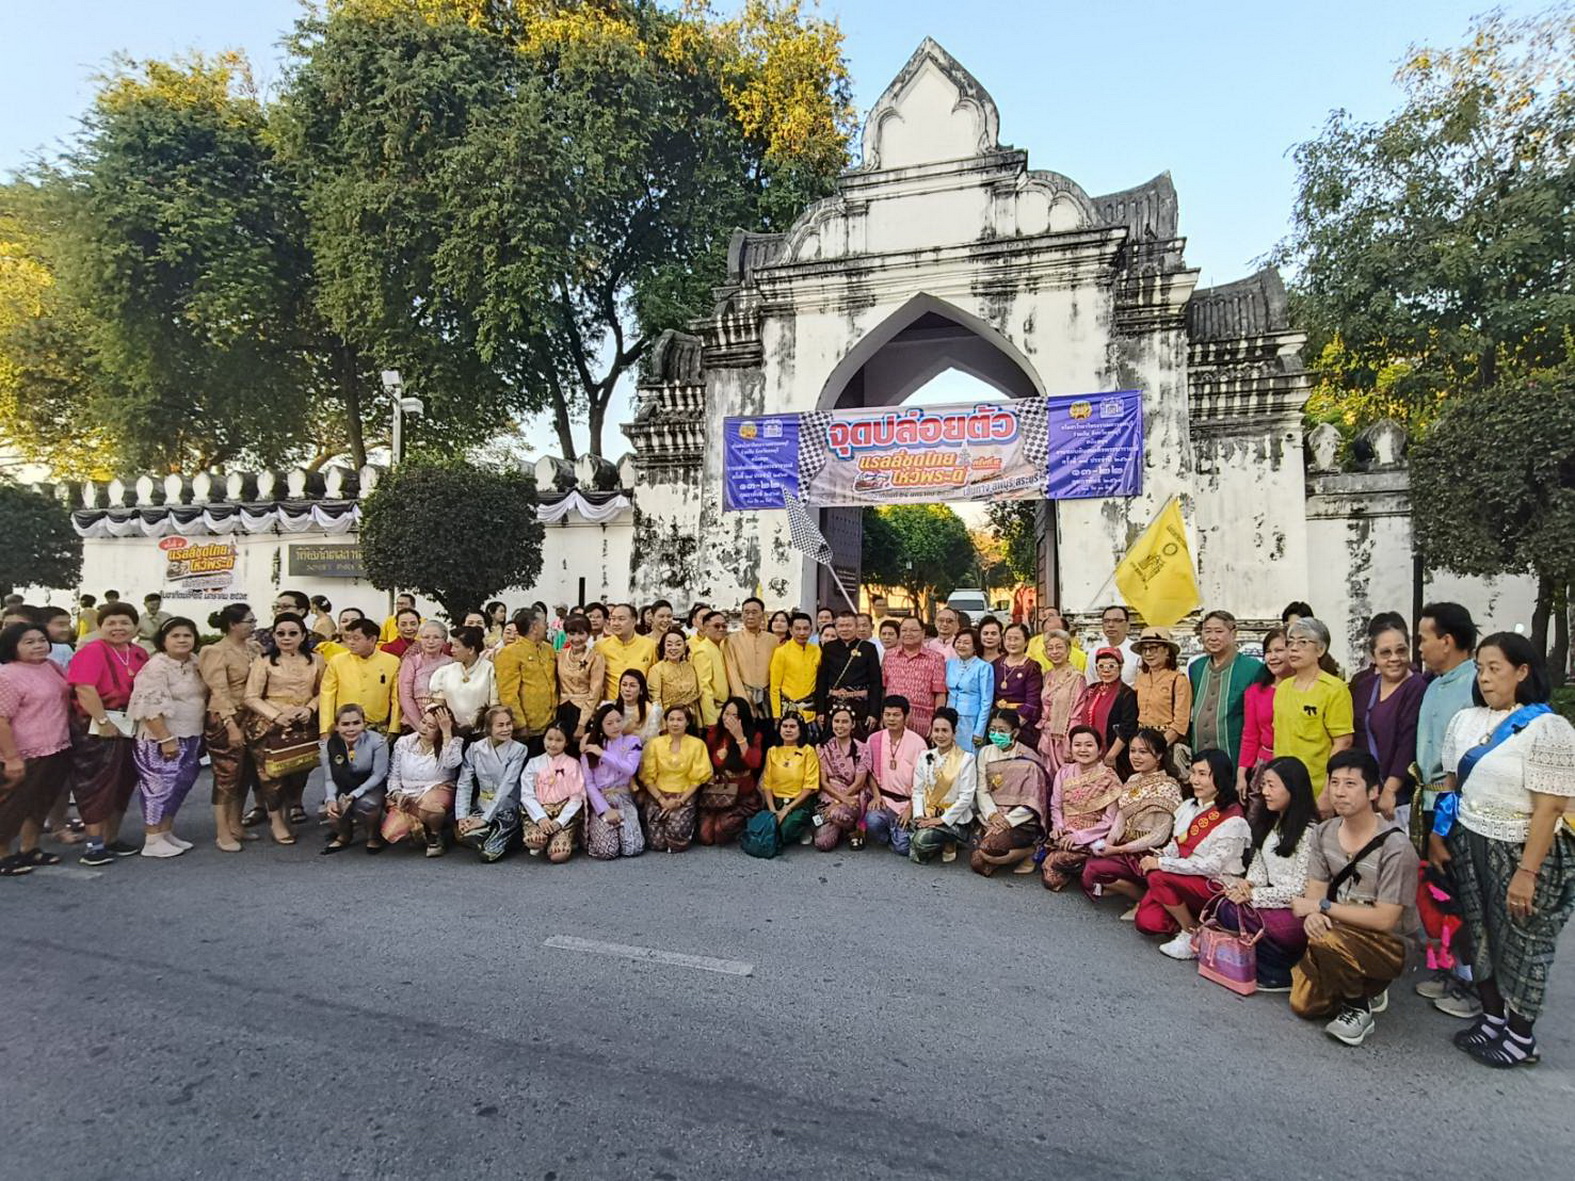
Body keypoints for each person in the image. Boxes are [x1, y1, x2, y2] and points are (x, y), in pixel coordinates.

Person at [1436, 632, 1575, 1068]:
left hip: (1524, 850)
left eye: (1495, 668)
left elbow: (1550, 807)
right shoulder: (1466, 720)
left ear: (1522, 671)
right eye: (1480, 668)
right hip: (1471, 839)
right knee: (1480, 933)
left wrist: (1527, 872)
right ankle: (1493, 1018)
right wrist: (1439, 835)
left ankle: (1520, 1037)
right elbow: (1451, 784)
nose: (1484, 677)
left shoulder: (1548, 728)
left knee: (1524, 941)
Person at [1289, 750, 1421, 1048]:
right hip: (1341, 928)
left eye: (1350, 784)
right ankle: (1365, 982)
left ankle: (1358, 1007)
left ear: (1373, 791)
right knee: (1304, 1005)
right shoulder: (1324, 832)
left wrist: (1321, 908)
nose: (1339, 792)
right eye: (1334, 782)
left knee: (1325, 939)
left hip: (1390, 942)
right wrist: (1315, 915)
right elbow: (1316, 889)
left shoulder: (1397, 847)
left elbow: (1385, 919)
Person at [1214, 756, 1319, 991]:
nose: (1265, 792)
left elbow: (1299, 889)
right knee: (1226, 905)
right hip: (1268, 898)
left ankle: (1282, 968)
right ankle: (1263, 964)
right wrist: (1247, 885)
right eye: (1263, 785)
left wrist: (1253, 895)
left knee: (1250, 915)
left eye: (1272, 785)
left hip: (1293, 909)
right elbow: (1259, 868)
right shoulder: (1271, 822)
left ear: (1293, 788)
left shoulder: (1309, 832)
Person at [1135, 748, 1252, 958]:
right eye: (1193, 773)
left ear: (1220, 777)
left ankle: (1190, 932)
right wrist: (1159, 856)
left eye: (1202, 774)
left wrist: (1162, 864)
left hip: (1214, 885)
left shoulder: (1233, 819)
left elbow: (1211, 866)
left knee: (1158, 876)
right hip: (1182, 878)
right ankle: (1202, 924)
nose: (1195, 780)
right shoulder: (1189, 806)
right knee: (1147, 922)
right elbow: (1177, 845)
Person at [66, 601, 150, 865]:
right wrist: (102, 720)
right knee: (96, 783)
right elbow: (84, 688)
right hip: (97, 725)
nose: (118, 628)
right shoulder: (92, 651)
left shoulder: (138, 653)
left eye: (124, 622)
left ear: (135, 626)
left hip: (129, 723)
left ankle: (112, 838)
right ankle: (94, 844)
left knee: (123, 781)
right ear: (100, 626)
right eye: (111, 623)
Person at [126, 618, 207, 858]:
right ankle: (152, 839)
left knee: (180, 785)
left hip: (191, 734)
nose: (182, 640)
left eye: (187, 635)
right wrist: (165, 739)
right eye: (175, 636)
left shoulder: (195, 662)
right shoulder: (156, 667)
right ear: (163, 640)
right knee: (159, 786)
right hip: (160, 738)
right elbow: (149, 706)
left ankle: (165, 832)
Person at [1080, 729, 1183, 914]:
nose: (1135, 757)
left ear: (1159, 755)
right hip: (1124, 846)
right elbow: (1121, 817)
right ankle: (1144, 897)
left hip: (1148, 853)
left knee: (1094, 871)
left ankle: (1145, 899)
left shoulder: (1168, 786)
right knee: (1089, 868)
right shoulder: (1133, 779)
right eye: (1132, 751)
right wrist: (1108, 843)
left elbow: (1159, 836)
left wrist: (1119, 850)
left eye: (1143, 752)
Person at [243, 612, 324, 842]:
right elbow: (251, 696)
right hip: (269, 724)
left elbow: (323, 691)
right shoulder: (264, 661)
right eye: (281, 633)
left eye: (292, 633)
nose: (286, 638)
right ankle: (276, 821)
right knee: (271, 776)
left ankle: (290, 813)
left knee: (298, 773)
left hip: (303, 723)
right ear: (274, 636)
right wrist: (276, 716)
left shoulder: (316, 660)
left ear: (303, 636)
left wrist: (309, 708)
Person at [0, 621, 72, 876]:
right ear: (12, 646)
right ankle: (3, 853)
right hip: (25, 751)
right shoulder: (7, 675)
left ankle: (29, 848)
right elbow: (1, 720)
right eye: (29, 642)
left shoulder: (51, 666)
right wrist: (11, 758)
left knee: (41, 801)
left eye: (42, 640)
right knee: (12, 804)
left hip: (57, 745)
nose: (38, 646)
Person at [1275, 617, 1355, 814]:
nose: (1294, 648)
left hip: (1316, 789)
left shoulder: (1334, 689)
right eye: (1290, 642)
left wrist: (1327, 792)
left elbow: (1343, 742)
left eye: (1302, 642)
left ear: (1320, 650)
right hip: (1283, 787)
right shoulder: (1283, 688)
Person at [1351, 619, 1426, 828]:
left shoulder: (1416, 686)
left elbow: (1408, 740)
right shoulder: (1365, 687)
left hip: (1399, 796)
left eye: (1401, 651)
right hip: (1369, 792)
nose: (1394, 658)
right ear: (1373, 656)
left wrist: (1391, 788)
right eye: (1385, 653)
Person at [199, 604, 261, 852]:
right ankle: (222, 831)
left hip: (251, 715)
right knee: (226, 774)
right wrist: (230, 725)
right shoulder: (215, 651)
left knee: (245, 773)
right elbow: (218, 691)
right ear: (233, 625)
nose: (253, 625)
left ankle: (236, 824)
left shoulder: (254, 648)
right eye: (249, 621)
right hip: (226, 717)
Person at [1040, 726, 1125, 891]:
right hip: (1065, 835)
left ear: (1099, 750)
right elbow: (1056, 806)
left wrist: (1079, 837)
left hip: (1092, 838)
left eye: (1089, 745)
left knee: (1052, 871)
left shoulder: (1109, 778)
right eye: (1077, 745)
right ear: (1071, 748)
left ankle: (1090, 869)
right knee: (1052, 877)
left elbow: (1110, 821)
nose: (1083, 750)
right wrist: (1058, 827)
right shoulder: (1064, 772)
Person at [970, 708, 1050, 876]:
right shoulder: (985, 752)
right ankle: (998, 855)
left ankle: (1030, 851)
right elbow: (982, 790)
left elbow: (1033, 801)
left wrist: (1007, 820)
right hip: (993, 816)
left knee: (988, 847)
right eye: (992, 730)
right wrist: (993, 816)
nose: (996, 734)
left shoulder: (1029, 758)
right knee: (978, 863)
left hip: (1021, 822)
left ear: (1015, 732)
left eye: (1002, 731)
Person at [383, 705, 463, 857]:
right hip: (408, 793)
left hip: (436, 791)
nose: (424, 728)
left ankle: (435, 835)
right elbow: (393, 775)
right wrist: (397, 794)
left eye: (431, 726)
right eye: (423, 722)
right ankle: (428, 827)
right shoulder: (404, 742)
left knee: (431, 808)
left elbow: (451, 763)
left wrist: (447, 732)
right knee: (391, 832)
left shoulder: (453, 742)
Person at [1188, 610, 1264, 766]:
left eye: (1219, 631)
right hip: (1200, 757)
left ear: (1233, 634)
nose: (1212, 637)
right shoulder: (1196, 668)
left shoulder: (1252, 668)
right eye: (1207, 631)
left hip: (1235, 756)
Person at [454, 706, 528, 863]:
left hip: (507, 807)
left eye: (508, 724)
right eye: (500, 725)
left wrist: (485, 819)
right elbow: (464, 783)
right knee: (463, 832)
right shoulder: (475, 748)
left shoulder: (519, 749)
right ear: (489, 728)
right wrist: (462, 816)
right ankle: (488, 833)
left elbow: (507, 786)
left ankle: (507, 835)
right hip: (482, 805)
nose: (506, 729)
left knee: (488, 854)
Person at [861, 695, 929, 856]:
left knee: (903, 849)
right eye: (887, 714)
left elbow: (925, 781)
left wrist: (910, 809)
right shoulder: (874, 740)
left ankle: (899, 834)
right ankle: (892, 834)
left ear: (906, 717)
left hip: (908, 803)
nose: (891, 719)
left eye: (896, 715)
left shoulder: (918, 743)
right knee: (872, 821)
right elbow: (868, 772)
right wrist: (876, 796)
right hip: (885, 801)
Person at [908, 707, 977, 865]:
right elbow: (918, 790)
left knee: (920, 842)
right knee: (906, 845)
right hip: (928, 814)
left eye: (945, 730)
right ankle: (938, 840)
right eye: (936, 730)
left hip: (954, 818)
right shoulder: (925, 755)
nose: (940, 735)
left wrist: (941, 820)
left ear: (954, 733)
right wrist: (919, 816)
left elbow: (966, 797)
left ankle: (951, 839)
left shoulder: (966, 759)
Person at [637, 703, 710, 853]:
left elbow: (697, 780)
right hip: (658, 794)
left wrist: (680, 801)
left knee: (676, 838)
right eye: (671, 719)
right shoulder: (655, 744)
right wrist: (662, 800)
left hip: (684, 795)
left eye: (679, 719)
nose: (675, 723)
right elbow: (648, 778)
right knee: (657, 844)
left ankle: (688, 826)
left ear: (687, 722)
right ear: (666, 721)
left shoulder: (697, 745)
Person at [321, 705, 391, 854]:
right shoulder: (328, 745)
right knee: (328, 811)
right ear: (337, 726)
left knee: (367, 805)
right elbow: (329, 779)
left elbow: (379, 775)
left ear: (364, 723)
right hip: (343, 784)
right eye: (345, 724)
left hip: (370, 785)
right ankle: (344, 835)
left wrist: (355, 794)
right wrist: (330, 799)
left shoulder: (378, 741)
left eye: (356, 723)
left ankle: (373, 836)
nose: (351, 728)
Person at [580, 703, 646, 860]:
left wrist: (603, 754)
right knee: (607, 851)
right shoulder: (591, 748)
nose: (615, 726)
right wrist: (604, 810)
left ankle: (624, 830)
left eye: (618, 721)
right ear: (600, 726)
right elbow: (589, 783)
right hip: (602, 798)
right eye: (609, 723)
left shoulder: (632, 742)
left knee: (632, 848)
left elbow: (629, 769)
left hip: (623, 796)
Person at [747, 714, 821, 854]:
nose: (788, 730)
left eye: (792, 727)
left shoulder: (808, 751)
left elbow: (809, 787)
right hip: (776, 801)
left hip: (799, 803)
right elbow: (767, 784)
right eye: (784, 726)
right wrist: (773, 811)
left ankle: (805, 828)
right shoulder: (772, 751)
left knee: (784, 830)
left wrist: (786, 810)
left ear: (800, 730)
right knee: (770, 825)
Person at [318, 618, 401, 738]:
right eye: (348, 638)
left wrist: (394, 728)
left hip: (378, 728)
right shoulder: (337, 661)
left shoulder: (392, 662)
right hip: (344, 727)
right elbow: (327, 695)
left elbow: (396, 698)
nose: (351, 642)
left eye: (356, 638)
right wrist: (326, 729)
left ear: (372, 639)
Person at [699, 697, 764, 847]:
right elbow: (706, 760)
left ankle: (745, 822)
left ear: (742, 718)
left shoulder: (754, 735)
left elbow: (754, 763)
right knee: (705, 837)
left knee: (720, 830)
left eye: (734, 715)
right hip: (720, 792)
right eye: (726, 713)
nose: (728, 718)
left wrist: (740, 738)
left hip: (742, 794)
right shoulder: (715, 734)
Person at [519, 721, 586, 863]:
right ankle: (545, 839)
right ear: (543, 739)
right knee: (534, 841)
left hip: (563, 812)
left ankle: (561, 836)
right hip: (539, 810)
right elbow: (527, 794)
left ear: (566, 743)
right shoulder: (533, 763)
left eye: (559, 740)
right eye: (549, 739)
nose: (553, 744)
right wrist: (540, 818)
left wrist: (560, 822)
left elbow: (576, 798)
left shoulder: (573, 764)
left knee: (558, 856)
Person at [1238, 627, 1290, 809]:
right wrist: (1242, 773)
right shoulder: (1255, 692)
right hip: (1264, 765)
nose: (1273, 657)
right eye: (1268, 652)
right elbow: (1250, 735)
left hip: (1296, 764)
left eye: (1279, 650)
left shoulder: (1306, 690)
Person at [496, 611, 559, 748]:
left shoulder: (548, 649)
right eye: (544, 623)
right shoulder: (509, 653)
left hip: (551, 723)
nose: (547, 626)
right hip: (528, 728)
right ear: (534, 627)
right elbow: (507, 693)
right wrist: (519, 724)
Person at [1076, 647, 1139, 779]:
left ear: (1120, 667)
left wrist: (1111, 755)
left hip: (1114, 756)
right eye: (1101, 666)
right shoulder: (1091, 690)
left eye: (1111, 666)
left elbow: (1127, 727)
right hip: (1089, 754)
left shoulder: (1126, 694)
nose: (1106, 670)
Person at [817, 609, 882, 737]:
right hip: (834, 704)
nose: (844, 629)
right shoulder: (829, 648)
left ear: (856, 626)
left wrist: (874, 713)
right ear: (835, 627)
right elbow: (822, 680)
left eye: (848, 625)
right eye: (841, 626)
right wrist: (820, 710)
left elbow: (876, 682)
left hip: (860, 707)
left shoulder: (868, 648)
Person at [426, 625, 499, 738]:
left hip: (482, 734)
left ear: (471, 649)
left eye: (456, 646)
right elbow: (439, 707)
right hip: (452, 733)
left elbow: (495, 707)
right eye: (452, 646)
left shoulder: (490, 670)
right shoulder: (444, 672)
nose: (452, 650)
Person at [1133, 626, 1192, 766]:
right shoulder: (1141, 678)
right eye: (1144, 649)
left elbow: (1180, 723)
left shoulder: (1178, 679)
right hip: (1141, 739)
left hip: (1168, 741)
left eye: (1153, 648)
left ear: (1167, 651)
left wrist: (1157, 748)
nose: (1148, 653)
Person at [813, 704, 868, 852]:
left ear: (853, 724)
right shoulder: (823, 747)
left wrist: (840, 801)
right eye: (836, 721)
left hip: (853, 797)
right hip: (830, 796)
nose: (840, 726)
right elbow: (823, 781)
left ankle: (853, 829)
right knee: (823, 843)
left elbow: (859, 782)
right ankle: (841, 827)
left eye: (845, 722)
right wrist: (838, 799)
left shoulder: (862, 748)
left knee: (836, 813)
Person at [883, 616, 947, 740]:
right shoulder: (889, 656)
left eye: (913, 630)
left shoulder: (936, 658)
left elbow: (940, 694)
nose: (908, 633)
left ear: (923, 633)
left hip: (923, 724)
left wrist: (937, 722)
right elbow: (884, 689)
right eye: (904, 630)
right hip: (893, 721)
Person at [1035, 628, 1087, 774]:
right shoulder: (1047, 676)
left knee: (1065, 776)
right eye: (1050, 648)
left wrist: (1070, 742)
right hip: (1046, 734)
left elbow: (1077, 714)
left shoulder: (1076, 677)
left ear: (1068, 649)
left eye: (1059, 647)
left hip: (1063, 736)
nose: (1054, 652)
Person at [723, 597, 779, 720]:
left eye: (754, 612)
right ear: (742, 615)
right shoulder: (731, 640)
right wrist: (743, 701)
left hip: (768, 698)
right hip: (743, 695)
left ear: (762, 615)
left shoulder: (773, 640)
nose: (750, 616)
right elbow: (732, 673)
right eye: (746, 612)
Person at [396, 621, 454, 733]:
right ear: (420, 639)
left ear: (444, 641)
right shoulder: (411, 661)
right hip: (413, 724)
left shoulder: (452, 663)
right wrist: (421, 726)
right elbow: (405, 696)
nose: (430, 642)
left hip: (443, 724)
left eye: (436, 637)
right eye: (426, 637)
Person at [991, 623, 1043, 750]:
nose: (1012, 643)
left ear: (1026, 642)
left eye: (1016, 639)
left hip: (1022, 723)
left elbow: (1033, 701)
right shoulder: (996, 664)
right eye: (1009, 639)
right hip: (997, 720)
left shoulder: (1032, 667)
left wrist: (1013, 727)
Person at [769, 612, 821, 737]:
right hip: (788, 712)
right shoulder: (781, 652)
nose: (802, 633)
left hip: (810, 712)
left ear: (811, 630)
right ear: (790, 630)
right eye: (798, 629)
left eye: (805, 629)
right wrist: (776, 715)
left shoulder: (816, 650)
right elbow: (775, 687)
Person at [945, 628, 994, 752]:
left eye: (966, 643)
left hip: (971, 719)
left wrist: (979, 731)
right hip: (949, 717)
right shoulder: (949, 664)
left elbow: (986, 701)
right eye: (959, 642)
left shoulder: (984, 667)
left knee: (968, 755)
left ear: (975, 646)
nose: (961, 645)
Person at [596, 603, 657, 702]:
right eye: (613, 619)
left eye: (621, 619)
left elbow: (655, 680)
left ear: (633, 621)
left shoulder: (650, 646)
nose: (615, 623)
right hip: (610, 704)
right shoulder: (600, 646)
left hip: (640, 704)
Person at [649, 628, 711, 723]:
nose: (673, 648)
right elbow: (656, 701)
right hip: (669, 719)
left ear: (684, 647)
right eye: (669, 645)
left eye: (678, 644)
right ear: (664, 647)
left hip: (691, 718)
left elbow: (696, 696)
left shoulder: (690, 667)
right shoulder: (657, 669)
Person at [689, 611, 729, 727]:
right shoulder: (703, 651)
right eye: (716, 626)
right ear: (705, 628)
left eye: (724, 626)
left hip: (724, 709)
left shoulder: (720, 647)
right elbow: (704, 688)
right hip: (713, 711)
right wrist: (711, 721)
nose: (721, 629)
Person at [1085, 605, 1139, 686]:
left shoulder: (1136, 652)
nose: (1110, 625)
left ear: (1128, 625)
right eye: (1106, 621)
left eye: (1117, 620)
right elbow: (1090, 684)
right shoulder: (1094, 652)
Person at [1028, 607, 1086, 673]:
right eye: (1047, 633)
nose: (1052, 638)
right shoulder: (1036, 658)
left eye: (1056, 633)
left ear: (1066, 633)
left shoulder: (1081, 658)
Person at [614, 669, 663, 741]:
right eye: (624, 685)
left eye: (632, 686)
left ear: (641, 690)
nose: (627, 689)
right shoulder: (610, 708)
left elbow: (652, 743)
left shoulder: (651, 711)